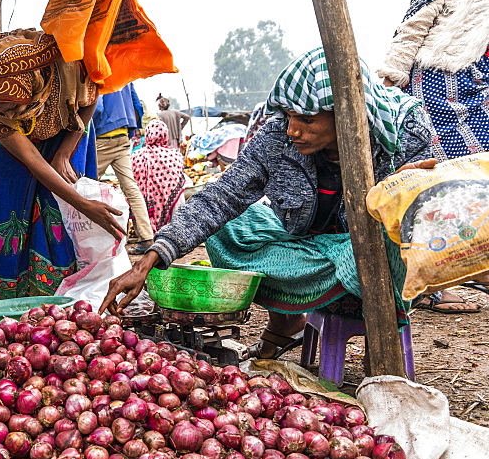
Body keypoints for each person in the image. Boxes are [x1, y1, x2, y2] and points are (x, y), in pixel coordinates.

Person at [101, 47, 437, 358]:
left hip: (366, 251)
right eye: (290, 116)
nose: (293, 130)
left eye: (306, 120)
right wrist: (149, 261)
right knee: (225, 231)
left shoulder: (403, 130)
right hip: (309, 246)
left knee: (383, 243)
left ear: (345, 113)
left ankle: (369, 322)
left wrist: (403, 192)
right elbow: (222, 196)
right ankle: (288, 320)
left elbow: (439, 212)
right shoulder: (277, 137)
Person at [0, 28, 125, 299]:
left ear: (32, 85)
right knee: (9, 221)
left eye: (14, 108)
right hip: (14, 153)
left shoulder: (69, 65)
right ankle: (12, 302)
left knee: (60, 218)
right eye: (2, 112)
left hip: (68, 130)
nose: (10, 115)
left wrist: (64, 152)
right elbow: (30, 159)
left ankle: (63, 301)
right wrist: (85, 205)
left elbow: (91, 97)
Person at [379, 0, 489, 160]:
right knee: (442, 170)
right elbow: (419, 19)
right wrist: (392, 79)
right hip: (441, 81)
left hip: (483, 81)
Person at [92, 83, 155, 254]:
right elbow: (137, 105)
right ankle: (147, 238)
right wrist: (131, 128)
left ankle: (81, 237)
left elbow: (97, 107)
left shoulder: (101, 71)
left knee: (86, 187)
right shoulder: (126, 75)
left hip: (102, 137)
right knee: (132, 189)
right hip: (122, 136)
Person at [130, 119, 188, 232]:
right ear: (165, 135)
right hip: (172, 208)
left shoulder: (137, 155)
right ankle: (173, 235)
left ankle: (145, 236)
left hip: (145, 208)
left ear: (147, 134)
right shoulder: (175, 155)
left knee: (135, 198)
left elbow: (132, 180)